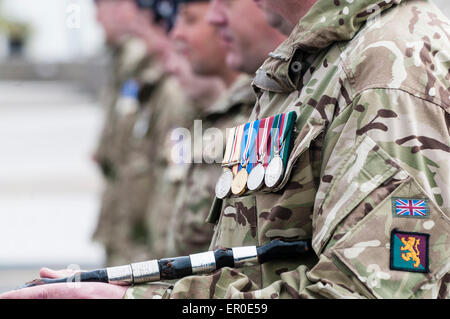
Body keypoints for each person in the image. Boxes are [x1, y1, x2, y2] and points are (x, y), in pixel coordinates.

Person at [3, 0, 449, 299]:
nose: (216, 15)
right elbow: (260, 269)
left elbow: (380, 291)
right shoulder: (321, 63)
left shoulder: (387, 64)